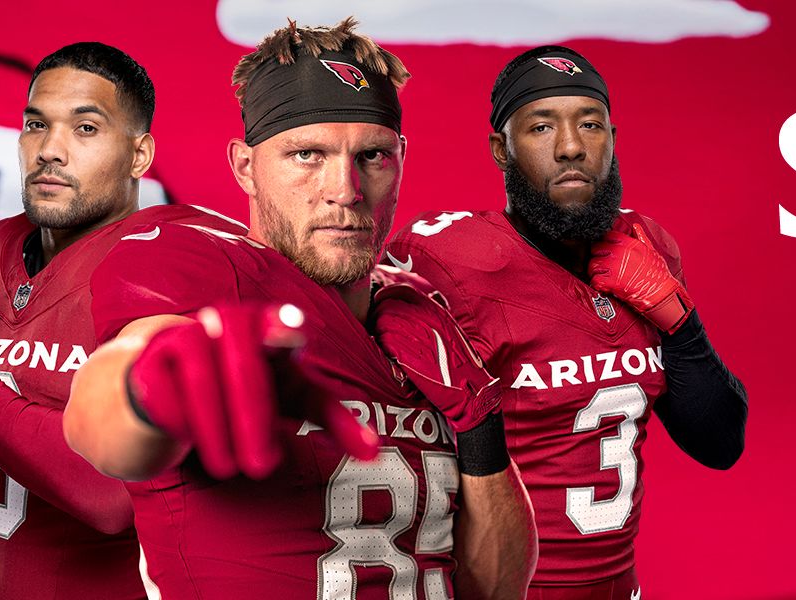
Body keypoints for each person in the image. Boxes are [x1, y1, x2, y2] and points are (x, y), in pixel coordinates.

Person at [59, 18, 534, 599]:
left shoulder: (421, 314)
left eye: (373, 156)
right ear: (244, 167)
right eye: (307, 154)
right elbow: (103, 421)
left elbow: (496, 590)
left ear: (402, 160)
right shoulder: (207, 268)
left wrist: (479, 421)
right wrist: (158, 385)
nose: (345, 190)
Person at [379, 45, 748, 599]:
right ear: (501, 150)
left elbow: (719, 443)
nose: (571, 146)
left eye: (590, 124)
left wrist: (677, 317)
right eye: (542, 127)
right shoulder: (450, 261)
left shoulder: (645, 247)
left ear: (613, 141)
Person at [0, 41, 204, 599]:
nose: (51, 150)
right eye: (35, 124)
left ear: (139, 154)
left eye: (86, 128)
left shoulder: (166, 263)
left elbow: (114, 495)